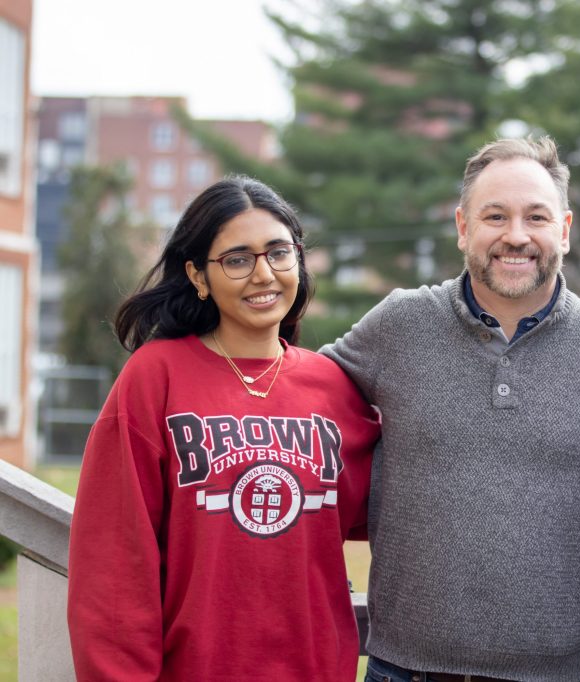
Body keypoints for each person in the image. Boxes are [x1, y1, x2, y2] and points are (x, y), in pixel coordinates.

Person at [320, 136, 580, 681]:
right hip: (403, 669)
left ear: (563, 230)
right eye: (495, 216)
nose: (515, 236)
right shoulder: (399, 325)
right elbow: (296, 401)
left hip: (553, 674)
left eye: (535, 217)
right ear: (463, 227)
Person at [67, 176, 380, 681]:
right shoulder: (156, 376)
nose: (264, 274)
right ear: (197, 276)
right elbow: (113, 564)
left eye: (279, 252)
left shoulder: (334, 386)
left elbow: (401, 502)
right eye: (237, 259)